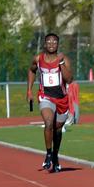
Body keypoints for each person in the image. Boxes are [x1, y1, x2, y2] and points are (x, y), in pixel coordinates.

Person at [26, 33, 73, 173]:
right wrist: (29, 90)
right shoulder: (38, 59)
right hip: (45, 96)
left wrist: (61, 64)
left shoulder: (63, 59)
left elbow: (69, 79)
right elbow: (31, 70)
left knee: (58, 129)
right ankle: (48, 154)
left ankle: (55, 156)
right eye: (49, 42)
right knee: (48, 122)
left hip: (62, 99)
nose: (52, 44)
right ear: (45, 44)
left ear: (58, 44)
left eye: (54, 42)